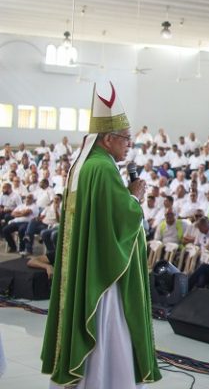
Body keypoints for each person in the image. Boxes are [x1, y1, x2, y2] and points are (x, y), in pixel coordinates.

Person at [41, 82, 161, 387]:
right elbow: (119, 219)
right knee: (109, 327)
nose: (129, 145)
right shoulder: (104, 169)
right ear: (108, 139)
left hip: (90, 262)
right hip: (103, 272)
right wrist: (133, 196)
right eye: (126, 140)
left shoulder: (87, 165)